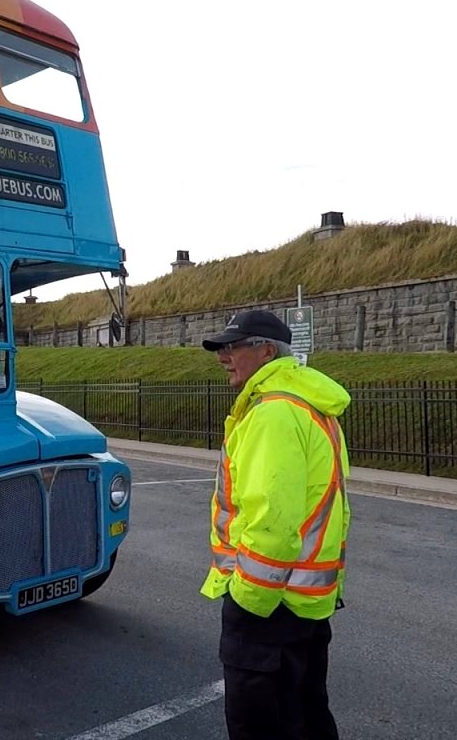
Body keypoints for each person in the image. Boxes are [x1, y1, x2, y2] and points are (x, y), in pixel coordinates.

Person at [199, 309, 352, 740]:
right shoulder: (307, 405)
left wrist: (248, 598)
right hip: (306, 602)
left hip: (269, 605)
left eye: (232, 347)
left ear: (265, 351)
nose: (222, 357)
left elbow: (274, 521)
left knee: (260, 725)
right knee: (305, 716)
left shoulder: (273, 414)